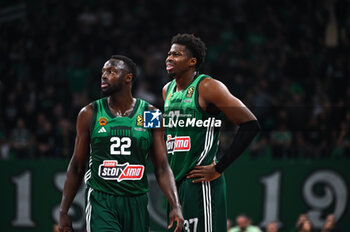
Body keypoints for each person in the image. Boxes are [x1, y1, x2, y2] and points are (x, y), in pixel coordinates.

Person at [59, 55, 184, 232]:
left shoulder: (151, 113)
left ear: (128, 77)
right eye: (103, 72)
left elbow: (162, 166)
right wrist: (64, 211)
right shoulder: (89, 113)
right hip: (102, 200)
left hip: (137, 200)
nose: (104, 75)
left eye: (111, 71)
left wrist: (176, 205)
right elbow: (77, 166)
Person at [163, 33, 260, 231]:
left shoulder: (208, 86)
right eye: (169, 53)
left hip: (200, 182)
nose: (169, 58)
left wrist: (219, 167)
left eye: (176, 54)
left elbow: (250, 124)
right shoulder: (167, 90)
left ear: (192, 61)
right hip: (175, 184)